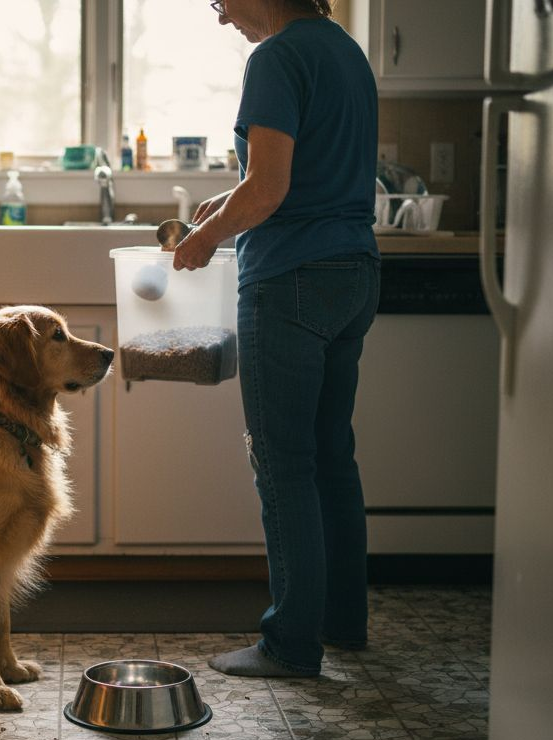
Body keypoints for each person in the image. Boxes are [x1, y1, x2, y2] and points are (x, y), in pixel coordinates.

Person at [171, 0, 380, 677]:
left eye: (221, 0)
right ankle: (343, 622)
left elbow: (269, 190)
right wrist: (226, 202)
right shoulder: (344, 50)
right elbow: (295, 175)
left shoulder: (275, 57)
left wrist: (204, 238)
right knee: (330, 456)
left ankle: (291, 644)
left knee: (284, 463)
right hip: (352, 274)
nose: (222, 15)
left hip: (289, 279)